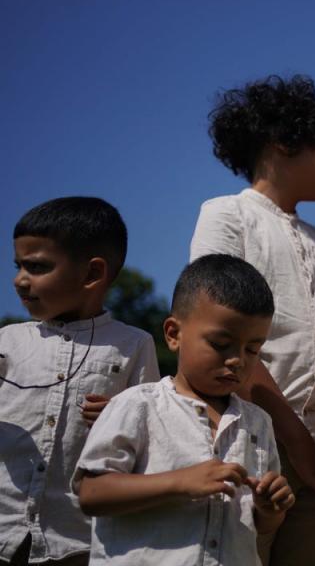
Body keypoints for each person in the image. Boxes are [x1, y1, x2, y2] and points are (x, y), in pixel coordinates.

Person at [189, 74, 315, 565]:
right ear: (285, 141)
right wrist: (297, 444)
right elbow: (226, 338)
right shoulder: (226, 216)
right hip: (247, 440)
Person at [74, 254, 295, 565]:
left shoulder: (258, 422)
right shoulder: (137, 405)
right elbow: (92, 494)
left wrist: (270, 508)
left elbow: (261, 526)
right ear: (173, 334)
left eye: (253, 349)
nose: (237, 360)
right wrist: (180, 481)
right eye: (221, 344)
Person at [0, 197, 160, 566]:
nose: (20, 280)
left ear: (92, 274)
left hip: (76, 541)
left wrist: (122, 416)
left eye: (36, 267)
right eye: (18, 266)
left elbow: (152, 438)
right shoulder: (8, 342)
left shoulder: (134, 345)